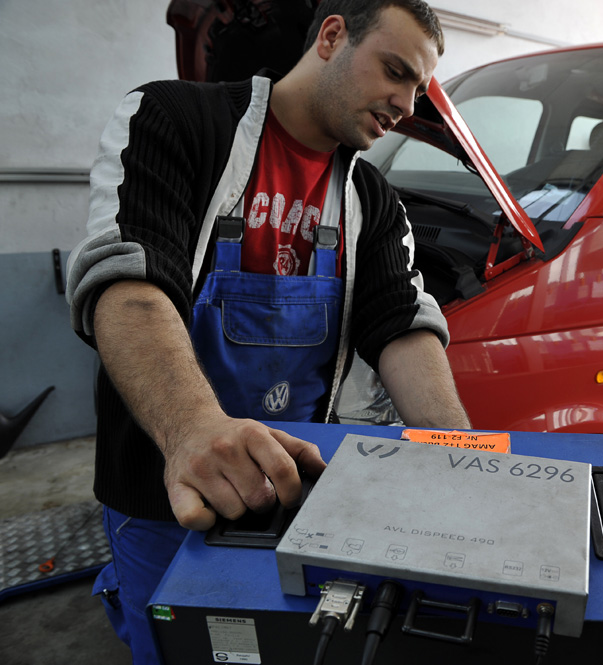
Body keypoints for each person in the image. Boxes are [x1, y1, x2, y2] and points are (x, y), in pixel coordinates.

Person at [64, 1, 470, 662]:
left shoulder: (374, 199)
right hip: (167, 490)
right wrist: (194, 430)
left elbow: (401, 324)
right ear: (332, 36)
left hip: (300, 492)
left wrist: (465, 450)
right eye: (394, 71)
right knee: (176, 646)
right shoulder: (173, 120)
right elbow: (128, 282)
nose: (404, 102)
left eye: (417, 89)